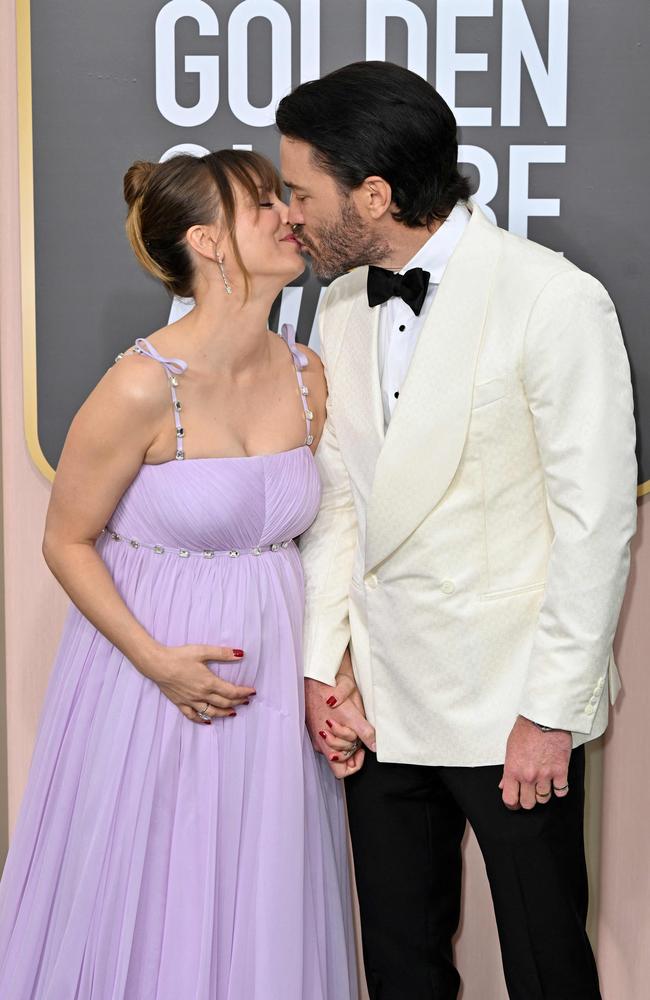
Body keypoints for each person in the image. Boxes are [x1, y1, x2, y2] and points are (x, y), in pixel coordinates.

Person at [277, 61, 638, 1000]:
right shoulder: (346, 297)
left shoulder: (553, 298)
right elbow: (347, 497)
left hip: (510, 704)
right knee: (399, 964)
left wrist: (550, 713)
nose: (288, 217)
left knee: (547, 961)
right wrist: (326, 667)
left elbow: (595, 525)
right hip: (384, 704)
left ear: (375, 194)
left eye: (300, 193)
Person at [0, 149, 358, 1000]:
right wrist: (157, 662)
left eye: (283, 197)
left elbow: (327, 541)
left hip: (268, 679)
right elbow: (67, 540)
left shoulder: (309, 375)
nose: (287, 214)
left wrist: (330, 667)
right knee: (151, 884)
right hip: (150, 678)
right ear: (207, 242)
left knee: (258, 891)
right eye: (261, 205)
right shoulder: (137, 387)